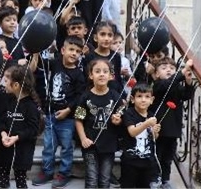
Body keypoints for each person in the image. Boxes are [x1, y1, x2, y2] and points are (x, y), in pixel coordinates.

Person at [32, 36, 86, 188]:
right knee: (49, 146)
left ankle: (64, 173)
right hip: (50, 115)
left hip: (67, 118)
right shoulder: (55, 64)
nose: (74, 53)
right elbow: (38, 66)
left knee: (67, 147)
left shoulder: (79, 74)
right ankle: (47, 171)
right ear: (63, 50)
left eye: (78, 51)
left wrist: (68, 110)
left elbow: (79, 97)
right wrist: (35, 51)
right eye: (71, 49)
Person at [74, 59, 123, 188]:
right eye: (97, 71)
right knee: (91, 179)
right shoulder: (85, 97)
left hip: (109, 145)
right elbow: (78, 120)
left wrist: (118, 121)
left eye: (105, 71)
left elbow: (122, 117)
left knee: (105, 179)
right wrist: (83, 138)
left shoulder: (115, 96)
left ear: (111, 76)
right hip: (90, 146)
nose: (101, 74)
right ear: (91, 75)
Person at [150, 57, 195, 189]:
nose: (168, 70)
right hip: (159, 129)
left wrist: (187, 82)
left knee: (168, 157)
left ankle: (165, 179)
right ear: (157, 74)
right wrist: (180, 73)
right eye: (164, 68)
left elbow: (186, 95)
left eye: (171, 68)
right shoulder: (157, 85)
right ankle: (154, 178)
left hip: (173, 128)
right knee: (157, 155)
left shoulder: (176, 86)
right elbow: (166, 84)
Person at [0, 65, 41, 189]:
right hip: (5, 148)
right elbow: (1, 121)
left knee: (20, 180)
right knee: (1, 179)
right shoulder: (7, 100)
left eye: (5, 81)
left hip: (22, 150)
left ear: (15, 85)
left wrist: (16, 137)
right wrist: (3, 134)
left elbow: (33, 130)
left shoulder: (31, 106)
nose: (2, 84)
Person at [121, 83, 160, 188]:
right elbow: (132, 132)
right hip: (131, 161)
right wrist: (146, 124)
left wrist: (155, 132)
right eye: (139, 96)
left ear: (152, 100)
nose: (143, 100)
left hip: (148, 161)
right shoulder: (129, 113)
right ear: (133, 99)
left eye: (147, 97)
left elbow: (154, 138)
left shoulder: (151, 116)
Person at [81, 21, 123, 95]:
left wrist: (122, 96)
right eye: (102, 34)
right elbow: (86, 81)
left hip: (113, 96)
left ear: (113, 38)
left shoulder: (116, 56)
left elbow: (118, 78)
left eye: (110, 35)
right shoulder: (90, 57)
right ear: (95, 38)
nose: (106, 38)